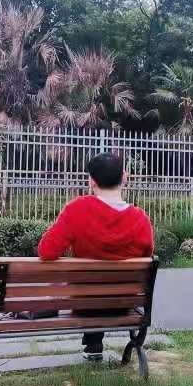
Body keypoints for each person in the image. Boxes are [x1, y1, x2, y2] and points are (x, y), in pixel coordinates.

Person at [38, 152, 154, 361]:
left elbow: (46, 251)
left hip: (85, 305)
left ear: (91, 181)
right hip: (123, 304)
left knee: (87, 284)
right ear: (124, 177)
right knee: (106, 282)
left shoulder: (77, 209)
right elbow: (147, 256)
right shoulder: (141, 219)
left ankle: (93, 345)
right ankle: (95, 346)